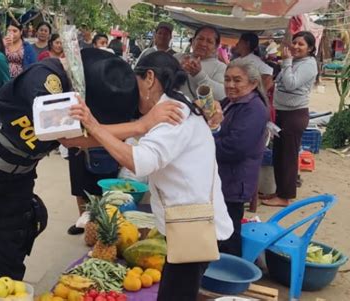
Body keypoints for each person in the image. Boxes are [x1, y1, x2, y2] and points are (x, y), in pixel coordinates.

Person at [0, 48, 183, 280]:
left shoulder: (90, 95)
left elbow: (91, 135)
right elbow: (65, 136)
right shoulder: (47, 77)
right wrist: (141, 126)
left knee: (12, 249)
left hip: (17, 179)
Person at [70, 51, 233, 300]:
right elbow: (131, 133)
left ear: (149, 78)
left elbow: (139, 161)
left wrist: (92, 124)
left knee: (174, 295)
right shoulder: (171, 107)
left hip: (193, 228)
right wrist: (81, 136)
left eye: (133, 82)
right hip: (190, 224)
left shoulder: (172, 116)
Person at [215, 60, 269, 257]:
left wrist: (209, 138)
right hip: (224, 178)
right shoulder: (231, 101)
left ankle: (231, 274)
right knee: (220, 228)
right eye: (227, 79)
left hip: (235, 180)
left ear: (253, 83)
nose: (230, 85)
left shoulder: (253, 109)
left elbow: (234, 147)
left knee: (229, 232)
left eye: (237, 80)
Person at [262, 31, 318, 207]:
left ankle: (285, 196)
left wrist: (286, 63)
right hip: (283, 112)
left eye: (301, 44)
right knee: (279, 154)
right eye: (294, 43)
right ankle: (279, 192)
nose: (295, 47)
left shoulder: (309, 65)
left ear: (310, 48)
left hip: (294, 114)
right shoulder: (296, 62)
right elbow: (280, 81)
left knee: (288, 156)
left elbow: (291, 83)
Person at [175, 25, 226, 101]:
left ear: (216, 47)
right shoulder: (177, 57)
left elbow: (222, 95)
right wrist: (177, 69)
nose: (203, 44)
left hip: (196, 111)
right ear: (193, 41)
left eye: (209, 41)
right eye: (200, 39)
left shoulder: (221, 67)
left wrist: (199, 76)